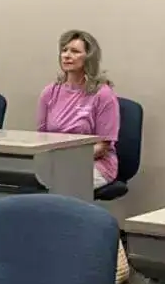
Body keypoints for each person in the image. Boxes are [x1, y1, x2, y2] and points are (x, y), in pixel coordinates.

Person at [36, 29, 120, 188]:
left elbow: (103, 145)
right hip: (56, 163)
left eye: (74, 51)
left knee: (63, 184)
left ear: (88, 57)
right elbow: (41, 137)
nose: (67, 55)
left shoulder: (103, 94)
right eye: (64, 50)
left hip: (94, 164)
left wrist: (70, 161)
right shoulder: (49, 92)